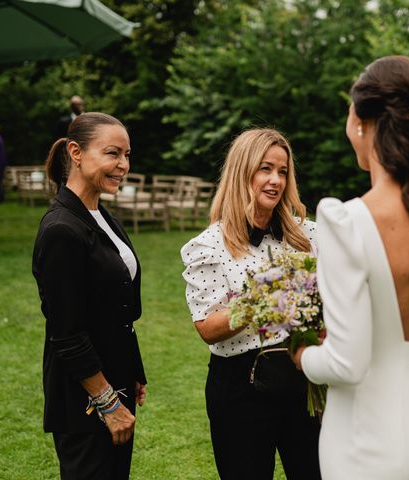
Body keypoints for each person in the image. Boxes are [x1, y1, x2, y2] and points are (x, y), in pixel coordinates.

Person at [292, 55, 409, 479]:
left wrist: (301, 354)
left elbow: (346, 364)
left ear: (361, 121)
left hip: (368, 433)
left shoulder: (347, 220)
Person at [181, 128, 321, 480]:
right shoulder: (209, 246)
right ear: (242, 173)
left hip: (304, 381)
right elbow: (208, 328)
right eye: (265, 169)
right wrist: (263, 298)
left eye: (283, 171)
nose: (275, 180)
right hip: (240, 388)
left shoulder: (308, 236)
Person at [32, 112, 147, 480]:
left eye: (127, 155)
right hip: (84, 396)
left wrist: (134, 372)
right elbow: (66, 332)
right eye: (113, 153)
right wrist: (107, 402)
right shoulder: (61, 230)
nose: (123, 165)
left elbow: (118, 309)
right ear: (76, 152)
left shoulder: (101, 214)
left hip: (116, 380)